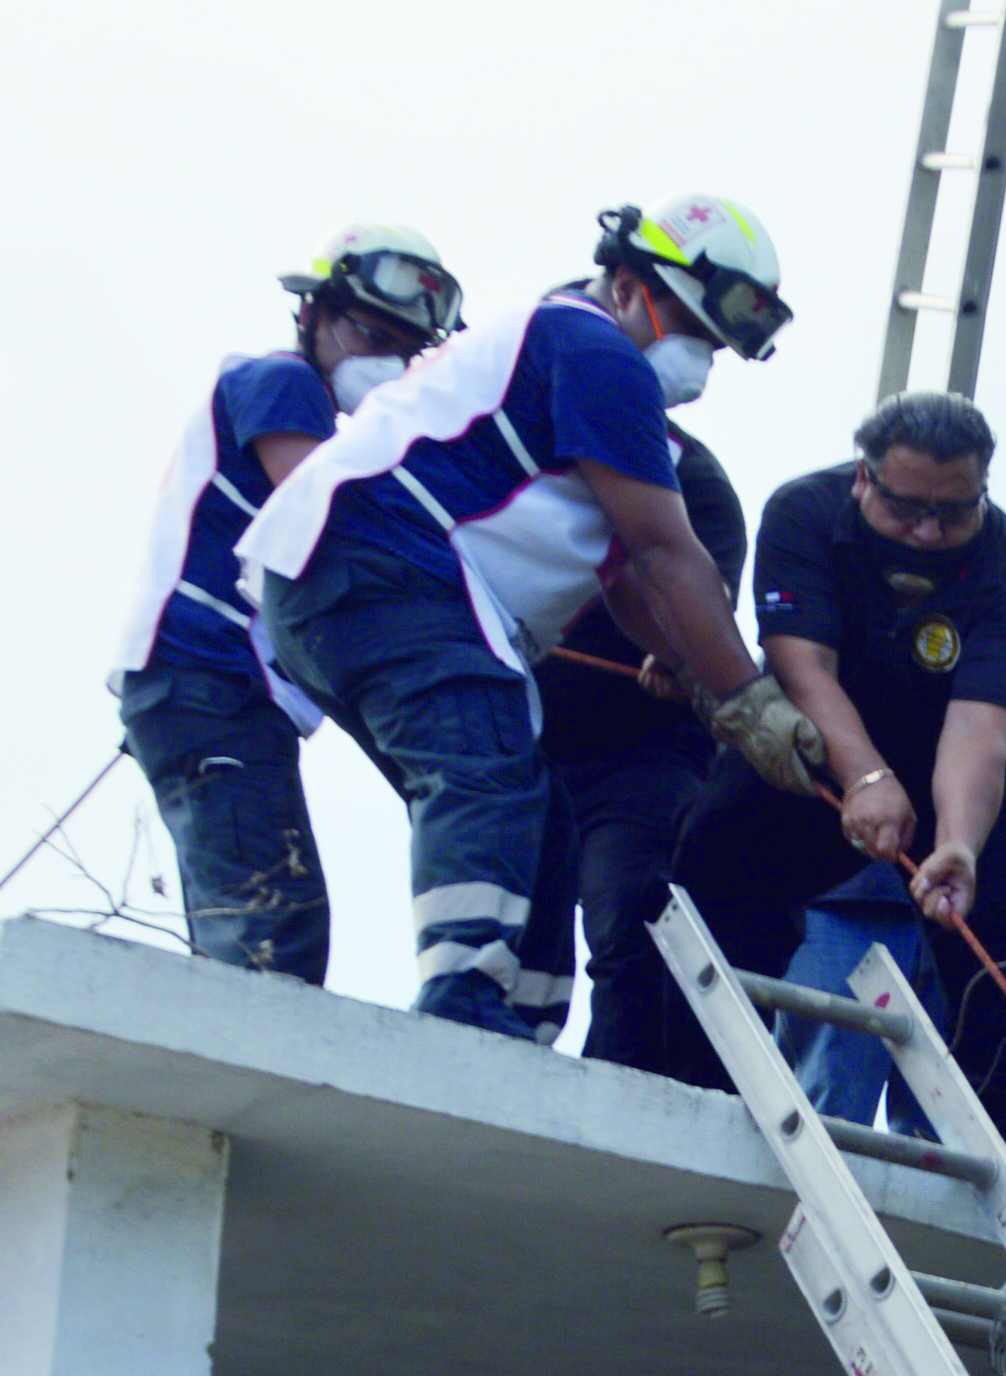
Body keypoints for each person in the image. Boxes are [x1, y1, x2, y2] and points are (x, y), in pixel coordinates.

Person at [242, 196, 824, 1040]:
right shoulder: (588, 344)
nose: (696, 358)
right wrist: (750, 699)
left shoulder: (589, 386)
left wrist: (696, 675)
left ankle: (522, 1017)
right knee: (485, 773)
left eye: (712, 345)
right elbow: (667, 555)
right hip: (381, 570)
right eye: (689, 328)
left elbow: (631, 589)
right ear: (627, 283)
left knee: (538, 807)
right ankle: (464, 1003)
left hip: (337, 589)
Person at [668, 392, 1006, 1160]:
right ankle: (695, 1067)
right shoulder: (802, 513)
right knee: (724, 833)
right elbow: (802, 664)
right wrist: (863, 779)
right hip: (835, 724)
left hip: (962, 752)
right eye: (906, 509)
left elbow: (981, 730)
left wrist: (955, 843)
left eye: (952, 513)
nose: (928, 533)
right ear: (864, 479)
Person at [109, 224, 463, 980]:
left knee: (248, 935)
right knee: (274, 937)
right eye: (370, 331)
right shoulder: (282, 382)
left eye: (406, 347)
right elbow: (328, 521)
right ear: (312, 314)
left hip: (198, 691)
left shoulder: (295, 400)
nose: (386, 360)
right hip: (209, 680)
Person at [525, 416, 745, 1056]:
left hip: (641, 753)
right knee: (507, 936)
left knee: (634, 924)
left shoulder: (695, 485)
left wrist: (685, 654)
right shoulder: (504, 459)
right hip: (518, 749)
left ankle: (620, 1094)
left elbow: (702, 611)